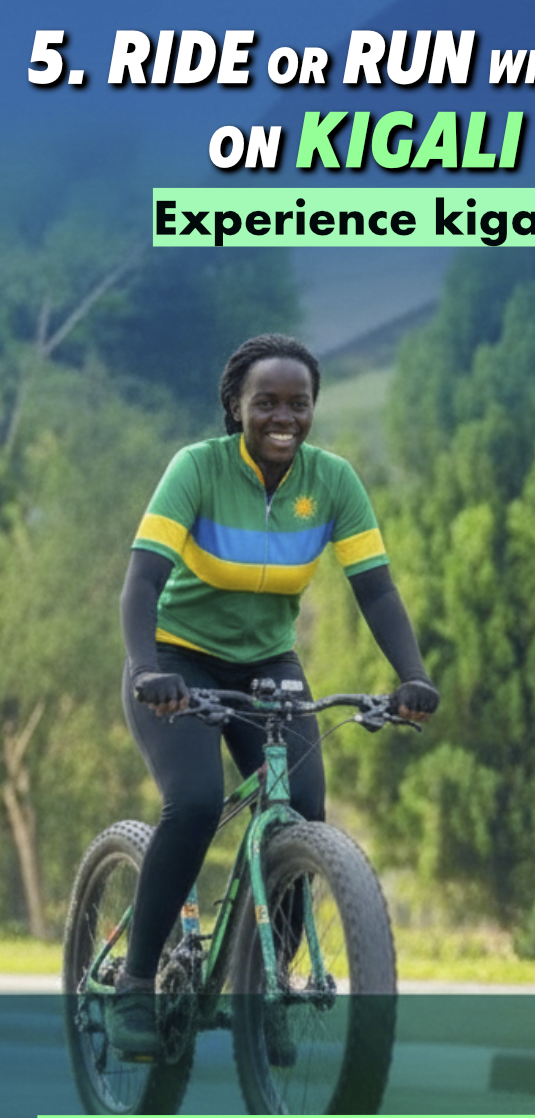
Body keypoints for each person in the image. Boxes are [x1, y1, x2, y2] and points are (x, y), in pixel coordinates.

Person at [107, 333, 438, 1056]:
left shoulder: (334, 481)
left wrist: (412, 675)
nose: (283, 416)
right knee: (194, 802)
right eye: (267, 402)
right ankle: (135, 983)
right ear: (237, 407)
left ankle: (271, 987)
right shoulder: (196, 469)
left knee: (302, 811)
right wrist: (144, 667)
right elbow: (142, 581)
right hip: (175, 658)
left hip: (266, 662)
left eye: (299, 402)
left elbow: (376, 590)